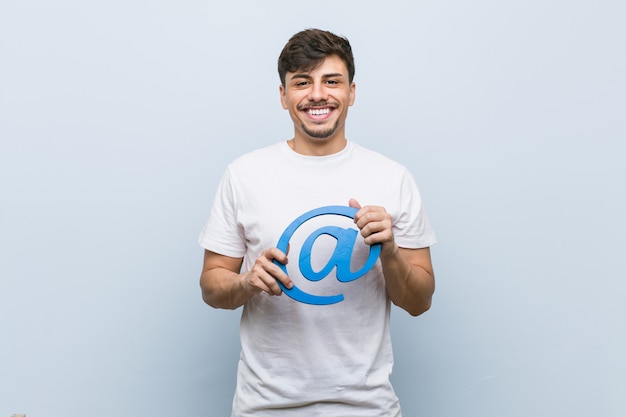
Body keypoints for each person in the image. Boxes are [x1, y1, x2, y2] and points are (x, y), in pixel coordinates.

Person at [198, 28, 436, 417]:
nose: (317, 95)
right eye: (302, 82)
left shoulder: (393, 178)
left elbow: (420, 301)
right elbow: (211, 285)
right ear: (283, 96)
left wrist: (390, 251)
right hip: (266, 407)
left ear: (352, 92)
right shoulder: (244, 175)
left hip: (367, 407)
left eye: (332, 81)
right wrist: (246, 282)